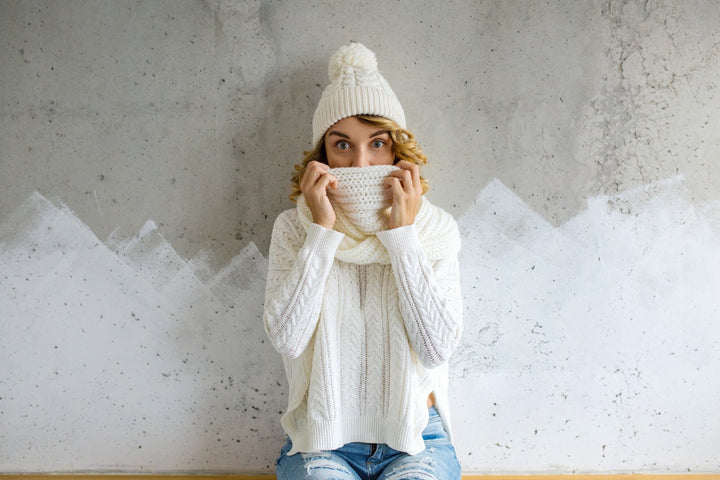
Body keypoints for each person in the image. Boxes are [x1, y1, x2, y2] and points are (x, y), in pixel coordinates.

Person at [263, 42, 463, 480]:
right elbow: (287, 339)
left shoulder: (435, 230)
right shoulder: (294, 228)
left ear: (398, 152)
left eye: (377, 143)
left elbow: (437, 348)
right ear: (322, 157)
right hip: (322, 440)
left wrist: (402, 239)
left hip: (416, 437)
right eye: (342, 146)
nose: (361, 163)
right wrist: (322, 233)